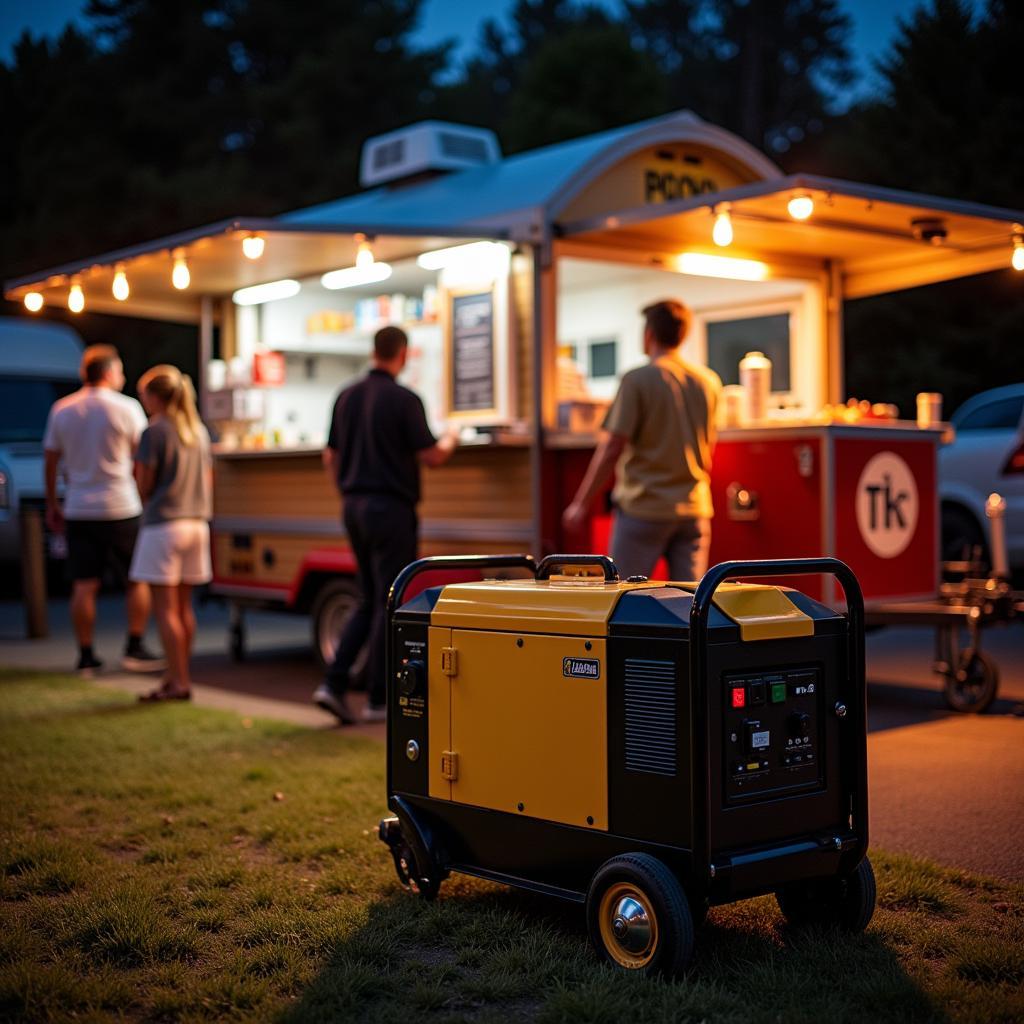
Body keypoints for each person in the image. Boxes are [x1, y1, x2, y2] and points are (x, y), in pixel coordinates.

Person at [313, 326, 458, 725]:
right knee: (389, 599)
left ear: (374, 351)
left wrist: (346, 491)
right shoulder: (405, 400)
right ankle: (378, 697)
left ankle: (334, 682)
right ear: (404, 354)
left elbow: (330, 455)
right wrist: (451, 439)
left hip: (354, 506)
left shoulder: (345, 396)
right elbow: (431, 456)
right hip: (391, 509)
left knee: (367, 597)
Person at [563, 300, 721, 581]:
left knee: (625, 598)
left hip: (643, 509)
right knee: (692, 603)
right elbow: (709, 442)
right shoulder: (708, 382)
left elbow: (612, 446)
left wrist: (581, 503)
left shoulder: (637, 380)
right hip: (694, 509)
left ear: (648, 334)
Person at [43, 344, 163, 676]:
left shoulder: (62, 410)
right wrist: (146, 496)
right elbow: (143, 459)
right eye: (120, 370)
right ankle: (135, 646)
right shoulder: (127, 408)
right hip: (123, 505)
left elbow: (50, 460)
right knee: (136, 580)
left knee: (84, 584)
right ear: (110, 372)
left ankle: (85, 655)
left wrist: (54, 503)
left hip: (80, 507)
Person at [129, 365, 213, 701]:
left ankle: (178, 682)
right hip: (196, 524)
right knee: (184, 607)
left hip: (163, 525)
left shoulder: (155, 431)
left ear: (154, 396)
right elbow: (209, 480)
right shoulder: (198, 431)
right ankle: (178, 675)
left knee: (165, 609)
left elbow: (144, 483)